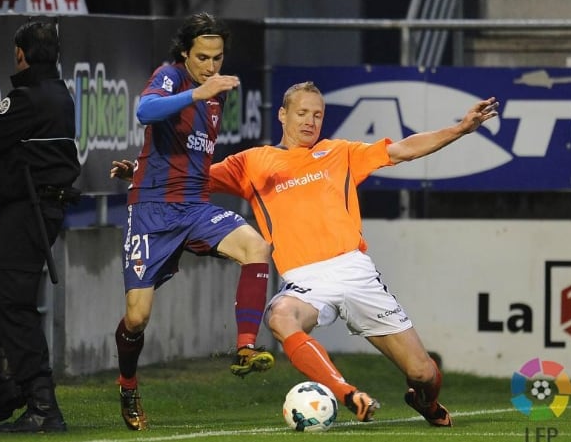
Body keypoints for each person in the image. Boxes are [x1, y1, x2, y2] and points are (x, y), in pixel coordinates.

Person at [111, 82, 498, 425]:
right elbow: (191, 179)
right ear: (283, 115)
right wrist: (141, 175)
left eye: (317, 115)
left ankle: (425, 403)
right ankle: (346, 393)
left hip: (356, 273)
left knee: (424, 372)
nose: (310, 122)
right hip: (304, 279)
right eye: (302, 113)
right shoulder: (252, 161)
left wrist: (461, 128)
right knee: (280, 318)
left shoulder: (340, 152)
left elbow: (404, 150)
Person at [112, 12, 273, 431]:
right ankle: (128, 384)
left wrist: (139, 164)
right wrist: (198, 93)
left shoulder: (214, 95)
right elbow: (146, 111)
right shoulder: (173, 77)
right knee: (136, 318)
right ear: (185, 52)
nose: (211, 65)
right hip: (151, 210)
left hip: (195, 207)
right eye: (203, 56)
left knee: (256, 246)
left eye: (218, 58)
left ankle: (245, 347)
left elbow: (185, 156)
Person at [0, 20, 81, 433]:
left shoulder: (27, 98)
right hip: (34, 211)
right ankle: (8, 378)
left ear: (20, 54)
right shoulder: (60, 95)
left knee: (14, 305)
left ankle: (42, 405)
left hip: (27, 211)